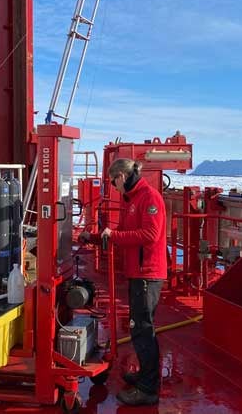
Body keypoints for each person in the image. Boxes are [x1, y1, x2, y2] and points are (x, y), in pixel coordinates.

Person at [78, 159, 166, 406]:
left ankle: (148, 389)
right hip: (139, 272)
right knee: (140, 326)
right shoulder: (134, 200)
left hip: (147, 272)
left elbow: (150, 235)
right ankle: (145, 378)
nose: (114, 188)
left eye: (114, 182)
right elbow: (119, 236)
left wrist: (113, 235)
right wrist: (95, 238)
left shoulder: (149, 198)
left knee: (143, 328)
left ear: (121, 176)